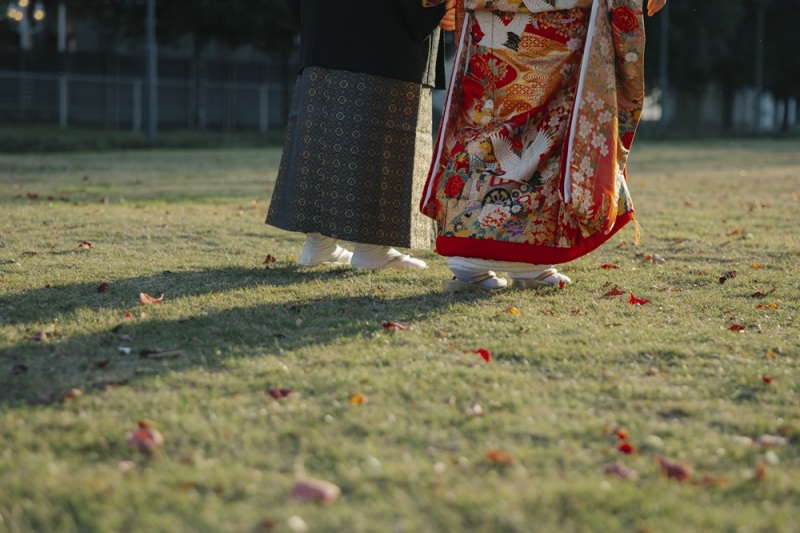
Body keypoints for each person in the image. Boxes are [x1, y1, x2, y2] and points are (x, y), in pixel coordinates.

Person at [420, 0, 667, 290]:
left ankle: (476, 258)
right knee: (552, 119)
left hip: (489, 12)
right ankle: (525, 261)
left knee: (486, 111)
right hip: (558, 13)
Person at [266, 0, 456, 269]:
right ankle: (372, 250)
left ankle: (319, 247)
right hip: (383, 36)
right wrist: (434, 7)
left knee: (324, 137)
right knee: (381, 141)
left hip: (323, 30)